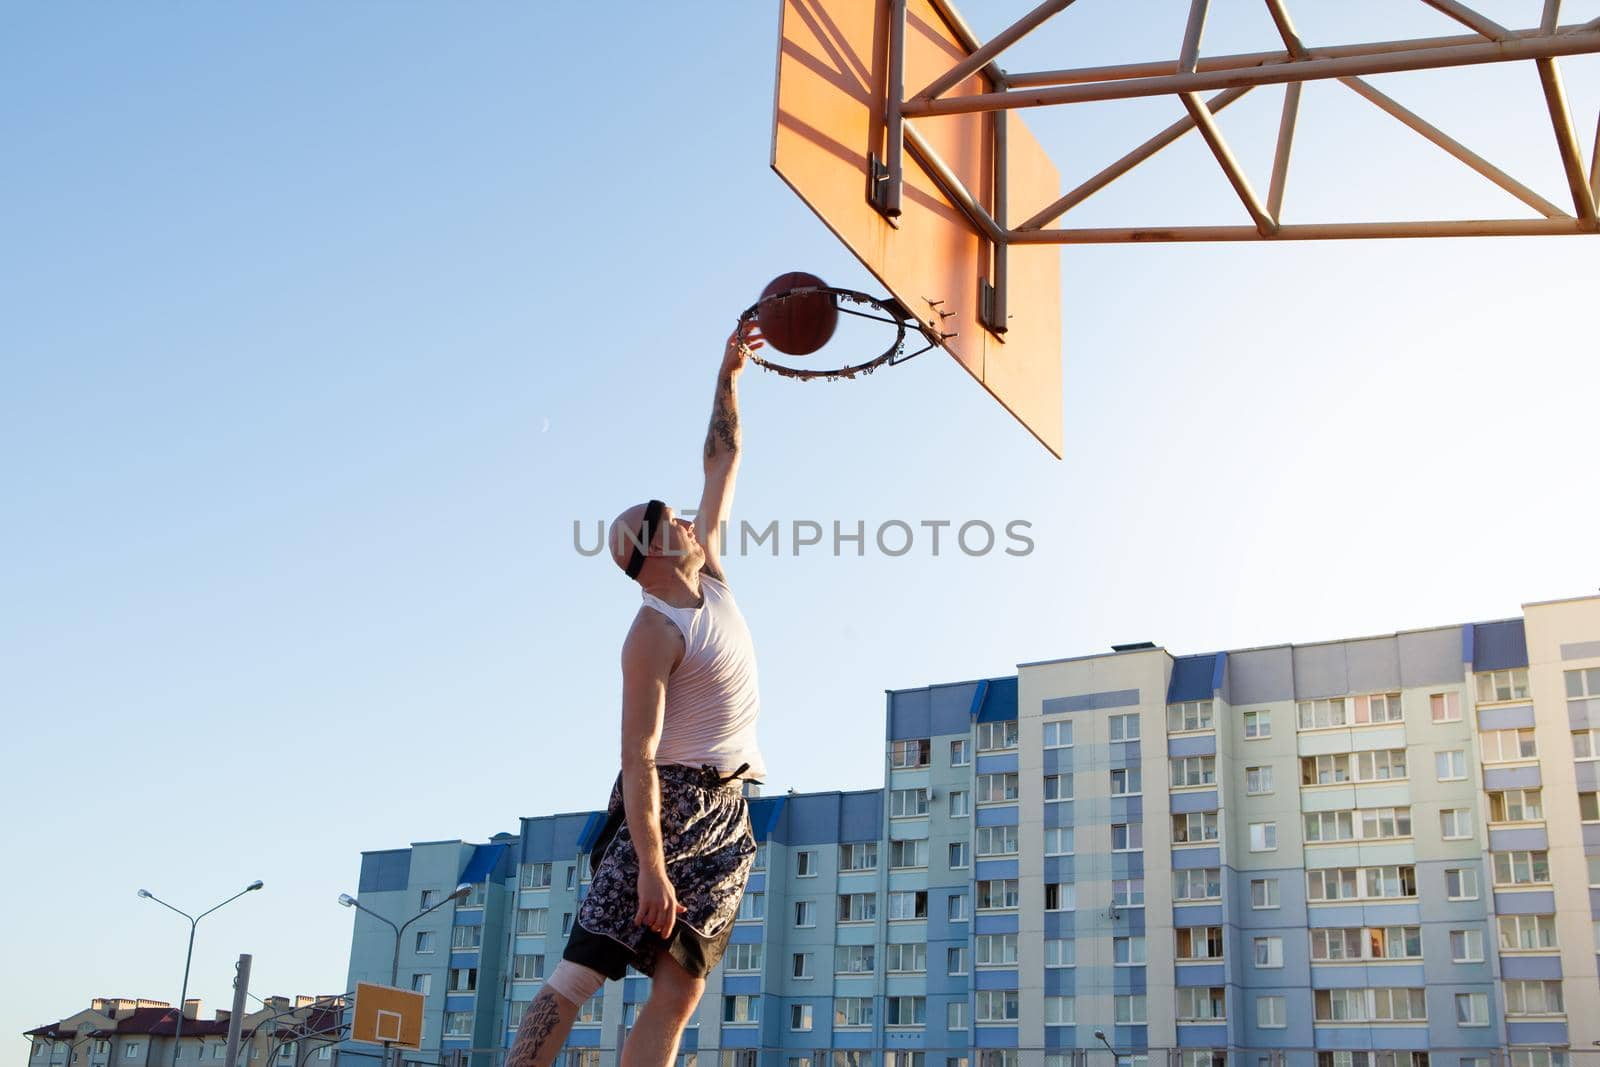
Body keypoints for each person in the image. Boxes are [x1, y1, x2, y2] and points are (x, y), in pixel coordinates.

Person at [506, 322, 770, 1067]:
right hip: (667, 803)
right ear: (649, 547)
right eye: (669, 515)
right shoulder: (650, 633)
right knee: (580, 972)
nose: (688, 516)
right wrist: (651, 866)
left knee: (679, 990)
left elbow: (724, 458)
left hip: (728, 811)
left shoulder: (710, 577)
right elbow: (637, 755)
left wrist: (730, 374)